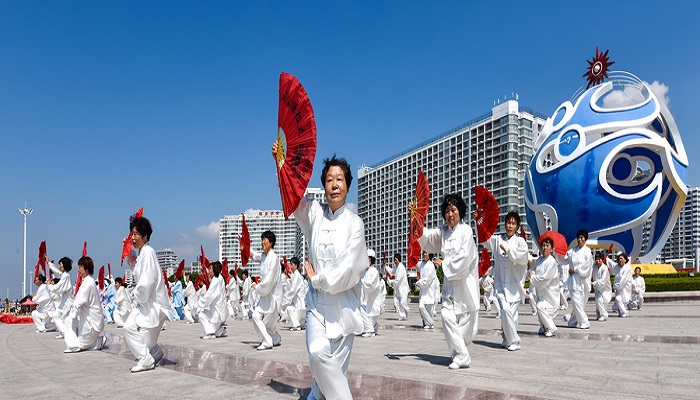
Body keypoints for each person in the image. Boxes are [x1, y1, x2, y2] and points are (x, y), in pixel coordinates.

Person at [278, 145, 369, 400]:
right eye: (329, 180)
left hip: (344, 308)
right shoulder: (315, 214)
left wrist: (319, 278)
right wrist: (282, 164)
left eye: (340, 180)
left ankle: (315, 396)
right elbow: (294, 197)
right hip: (317, 305)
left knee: (330, 374)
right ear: (324, 186)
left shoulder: (354, 223)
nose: (334, 185)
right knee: (318, 353)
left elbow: (350, 266)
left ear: (348, 186)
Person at [419, 193, 479, 369]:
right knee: (446, 315)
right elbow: (427, 238)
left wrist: (444, 264)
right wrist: (416, 220)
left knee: (465, 331)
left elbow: (464, 258)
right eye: (447, 211)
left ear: (460, 211)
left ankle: (459, 353)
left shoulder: (466, 231)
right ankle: (462, 356)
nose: (450, 214)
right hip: (449, 289)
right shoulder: (442, 232)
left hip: (465, 287)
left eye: (453, 210)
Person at [123, 214, 171, 372]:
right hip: (147, 303)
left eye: (136, 234)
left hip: (151, 304)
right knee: (137, 334)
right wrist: (129, 252)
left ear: (145, 236)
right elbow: (137, 270)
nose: (133, 237)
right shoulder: (143, 253)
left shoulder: (148, 252)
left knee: (129, 327)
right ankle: (154, 353)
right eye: (132, 234)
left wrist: (136, 292)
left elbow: (148, 280)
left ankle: (146, 360)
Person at [478, 210, 529, 351]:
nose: (510, 226)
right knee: (505, 311)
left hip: (514, 286)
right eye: (508, 222)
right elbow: (484, 238)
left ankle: (507, 338)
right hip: (500, 285)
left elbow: (523, 257)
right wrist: (479, 222)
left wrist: (509, 251)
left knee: (512, 316)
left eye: (513, 223)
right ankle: (515, 341)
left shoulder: (520, 241)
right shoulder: (497, 240)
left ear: (517, 226)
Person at [63, 256, 106, 353]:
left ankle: (75, 346)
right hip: (89, 323)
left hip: (92, 324)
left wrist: (71, 316)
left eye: (80, 267)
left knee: (69, 321)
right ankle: (98, 342)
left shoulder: (88, 283)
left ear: (86, 269)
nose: (78, 270)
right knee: (81, 341)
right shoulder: (87, 282)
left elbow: (78, 303)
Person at [250, 230, 283, 350]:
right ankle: (274, 339)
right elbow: (253, 255)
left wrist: (257, 287)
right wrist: (244, 244)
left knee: (266, 325)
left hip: (273, 297)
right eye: (262, 239)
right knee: (257, 317)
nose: (262, 242)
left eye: (265, 240)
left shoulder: (274, 259)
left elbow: (269, 280)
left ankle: (268, 341)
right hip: (265, 297)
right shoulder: (264, 256)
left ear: (271, 242)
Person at [529, 237, 560, 337]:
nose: (545, 248)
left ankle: (551, 327)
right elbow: (532, 262)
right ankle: (543, 326)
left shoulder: (552, 262)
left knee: (540, 306)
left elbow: (545, 279)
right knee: (539, 306)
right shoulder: (540, 260)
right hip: (541, 293)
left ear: (552, 248)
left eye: (547, 246)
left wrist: (532, 277)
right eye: (543, 245)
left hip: (550, 296)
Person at [563, 230, 593, 329]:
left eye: (582, 238)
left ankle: (572, 321)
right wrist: (558, 252)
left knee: (580, 303)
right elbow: (564, 258)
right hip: (573, 281)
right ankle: (584, 321)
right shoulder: (572, 251)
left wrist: (575, 269)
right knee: (576, 301)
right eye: (578, 238)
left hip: (583, 281)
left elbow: (586, 266)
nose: (580, 240)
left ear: (585, 239)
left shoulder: (587, 251)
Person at [197, 261, 229, 339]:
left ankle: (210, 333)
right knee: (217, 332)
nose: (209, 271)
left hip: (217, 312)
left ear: (215, 269)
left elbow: (209, 295)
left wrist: (199, 303)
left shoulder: (216, 280)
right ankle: (221, 329)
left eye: (210, 269)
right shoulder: (219, 278)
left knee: (200, 314)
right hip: (220, 311)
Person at [46, 256, 74, 339]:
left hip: (67, 303)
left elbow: (57, 288)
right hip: (64, 302)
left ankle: (65, 333)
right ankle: (64, 332)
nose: (59, 266)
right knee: (61, 318)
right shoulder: (64, 275)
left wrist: (49, 286)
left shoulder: (66, 276)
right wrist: (49, 263)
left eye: (61, 264)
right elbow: (57, 272)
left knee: (57, 316)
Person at [360, 249, 385, 337]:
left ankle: (370, 330)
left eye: (368, 259)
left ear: (372, 260)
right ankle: (374, 326)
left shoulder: (374, 271)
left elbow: (370, 285)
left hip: (373, 303)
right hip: (367, 303)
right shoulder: (364, 271)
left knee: (364, 316)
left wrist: (360, 282)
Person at [415, 250, 437, 329]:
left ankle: (429, 323)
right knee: (421, 307)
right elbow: (416, 265)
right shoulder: (422, 263)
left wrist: (419, 282)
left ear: (430, 255)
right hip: (423, 291)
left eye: (426, 253)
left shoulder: (431, 266)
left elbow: (427, 279)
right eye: (424, 253)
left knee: (428, 310)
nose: (424, 254)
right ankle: (429, 323)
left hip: (429, 291)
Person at [607, 252, 633, 318]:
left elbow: (624, 279)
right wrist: (606, 259)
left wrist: (616, 286)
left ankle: (622, 312)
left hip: (625, 288)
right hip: (618, 289)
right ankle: (624, 312)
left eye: (622, 258)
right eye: (619, 259)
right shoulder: (617, 267)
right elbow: (611, 264)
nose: (620, 260)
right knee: (618, 299)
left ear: (625, 260)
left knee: (624, 301)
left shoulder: (627, 268)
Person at [285, 257, 307, 331]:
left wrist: (285, 297)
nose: (290, 266)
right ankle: (301, 324)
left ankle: (296, 325)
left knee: (289, 309)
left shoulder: (297, 275)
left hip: (299, 304)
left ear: (296, 265)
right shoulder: (296, 275)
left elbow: (293, 289)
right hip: (301, 303)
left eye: (292, 264)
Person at [387, 253, 410, 321]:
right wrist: (386, 267)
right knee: (399, 303)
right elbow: (392, 272)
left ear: (399, 260)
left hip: (404, 288)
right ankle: (403, 316)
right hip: (399, 289)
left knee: (402, 303)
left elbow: (398, 280)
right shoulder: (397, 267)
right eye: (394, 260)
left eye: (395, 260)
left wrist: (391, 281)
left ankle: (408, 311)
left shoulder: (401, 267)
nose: (394, 261)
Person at [592, 253, 612, 321]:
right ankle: (600, 314)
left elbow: (603, 281)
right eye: (596, 259)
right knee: (598, 300)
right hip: (597, 288)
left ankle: (604, 315)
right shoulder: (593, 266)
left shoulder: (605, 268)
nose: (597, 261)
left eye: (599, 259)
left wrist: (594, 283)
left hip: (605, 289)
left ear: (602, 260)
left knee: (600, 301)